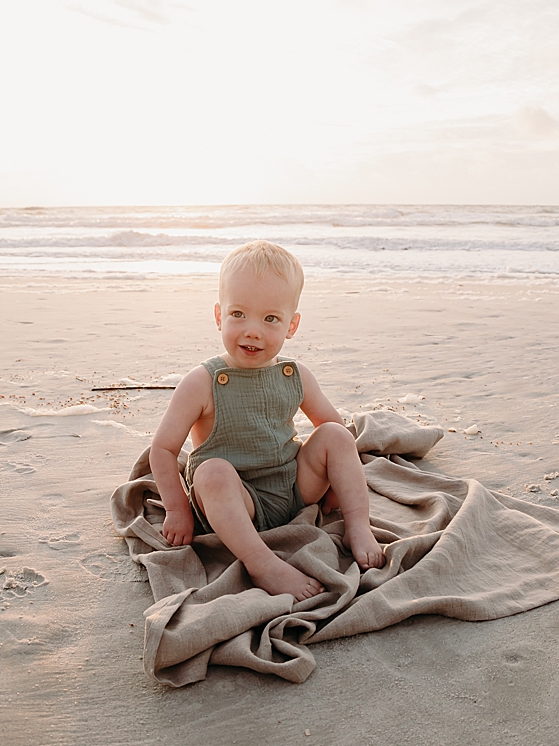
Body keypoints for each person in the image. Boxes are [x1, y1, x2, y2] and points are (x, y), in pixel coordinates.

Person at [148, 240, 387, 600]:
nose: (252, 330)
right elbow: (164, 449)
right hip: (235, 499)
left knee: (337, 435)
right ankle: (262, 563)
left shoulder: (295, 375)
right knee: (211, 472)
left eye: (270, 318)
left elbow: (335, 436)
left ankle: (357, 526)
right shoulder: (202, 382)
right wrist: (177, 509)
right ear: (218, 316)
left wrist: (335, 493)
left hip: (292, 487)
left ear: (291, 325)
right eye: (238, 314)